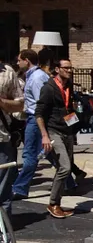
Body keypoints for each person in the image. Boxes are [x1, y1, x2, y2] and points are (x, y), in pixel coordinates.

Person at [35, 59, 77, 219]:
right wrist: (45, 136)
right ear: (57, 69)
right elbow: (39, 113)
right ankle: (53, 203)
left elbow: (68, 108)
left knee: (64, 169)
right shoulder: (49, 88)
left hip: (67, 130)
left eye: (70, 68)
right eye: (66, 68)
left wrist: (73, 128)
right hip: (53, 131)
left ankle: (56, 203)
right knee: (65, 167)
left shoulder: (69, 85)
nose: (69, 70)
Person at [12, 49, 52, 200]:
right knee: (49, 153)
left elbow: (40, 104)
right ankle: (68, 182)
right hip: (34, 119)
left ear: (26, 61)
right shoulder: (35, 76)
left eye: (19, 60)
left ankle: (20, 188)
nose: (17, 63)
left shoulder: (36, 78)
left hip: (35, 120)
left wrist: (42, 129)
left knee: (29, 155)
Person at [0, 52, 24, 215]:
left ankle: (4, 233)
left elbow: (20, 104)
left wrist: (2, 102)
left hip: (2, 137)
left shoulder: (7, 72)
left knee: (3, 189)